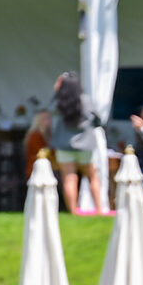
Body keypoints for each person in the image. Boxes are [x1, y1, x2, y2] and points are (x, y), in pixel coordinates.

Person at [50, 71, 102, 214]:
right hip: (85, 145)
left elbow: (49, 110)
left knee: (69, 179)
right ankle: (99, 209)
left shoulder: (60, 101)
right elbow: (97, 118)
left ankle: (73, 211)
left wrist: (57, 90)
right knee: (92, 177)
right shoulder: (85, 99)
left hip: (65, 145)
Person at [23, 110, 53, 179]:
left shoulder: (48, 134)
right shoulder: (35, 135)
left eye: (49, 118)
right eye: (44, 118)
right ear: (38, 121)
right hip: (36, 171)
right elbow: (40, 153)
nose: (48, 121)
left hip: (44, 170)